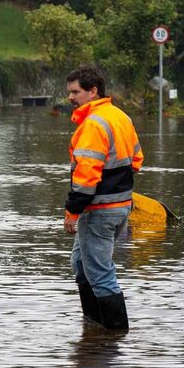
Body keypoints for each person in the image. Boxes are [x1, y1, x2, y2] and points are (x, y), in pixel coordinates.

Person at [63, 65, 144, 330]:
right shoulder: (120, 116)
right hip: (120, 205)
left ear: (93, 91)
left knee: (99, 273)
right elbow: (136, 160)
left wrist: (72, 212)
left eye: (75, 92)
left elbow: (86, 177)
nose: (71, 97)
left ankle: (116, 334)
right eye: (70, 92)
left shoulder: (94, 124)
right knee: (80, 264)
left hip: (98, 209)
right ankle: (93, 328)